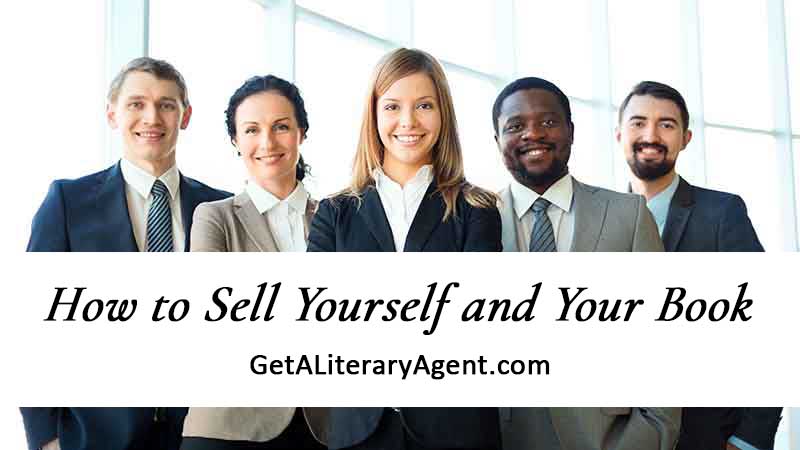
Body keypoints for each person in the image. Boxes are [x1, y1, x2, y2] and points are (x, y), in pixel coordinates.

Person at [22, 57, 229, 449]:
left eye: (167, 105)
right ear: (112, 114)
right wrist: (44, 437)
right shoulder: (67, 202)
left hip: (202, 433)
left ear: (185, 117)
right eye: (136, 103)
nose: (152, 117)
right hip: (94, 434)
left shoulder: (220, 207)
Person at [306, 48, 501, 449]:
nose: (408, 121)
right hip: (359, 431)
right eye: (393, 106)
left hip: (455, 431)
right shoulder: (335, 213)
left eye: (424, 105)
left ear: (442, 114)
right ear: (374, 115)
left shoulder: (477, 210)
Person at [617, 80, 780, 450]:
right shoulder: (598, 219)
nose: (651, 135)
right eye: (638, 122)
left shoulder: (722, 214)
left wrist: (748, 440)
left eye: (666, 124)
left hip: (707, 437)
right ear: (619, 134)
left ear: (686, 138)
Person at [181, 75, 323, 450]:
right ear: (235, 141)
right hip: (228, 427)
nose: (267, 143)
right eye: (251, 130)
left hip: (320, 428)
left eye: (281, 127)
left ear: (301, 133)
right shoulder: (213, 217)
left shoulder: (336, 217)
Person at [493, 77, 663, 253]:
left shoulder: (630, 213)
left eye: (548, 122)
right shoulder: (471, 218)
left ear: (571, 132)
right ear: (498, 142)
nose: (534, 134)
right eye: (516, 126)